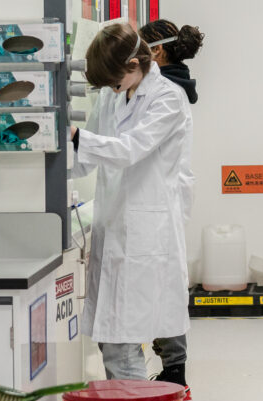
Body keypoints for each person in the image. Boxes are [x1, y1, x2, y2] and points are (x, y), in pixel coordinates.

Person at [72, 21, 193, 381]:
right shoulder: (112, 95)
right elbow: (89, 151)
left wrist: (77, 137)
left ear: (135, 65)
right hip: (114, 223)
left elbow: (128, 150)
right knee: (112, 336)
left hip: (146, 230)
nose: (110, 88)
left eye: (115, 80)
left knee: (122, 338)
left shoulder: (169, 99)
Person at [139, 19, 203, 396]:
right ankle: (171, 368)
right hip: (162, 195)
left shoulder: (166, 92)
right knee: (164, 279)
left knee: (165, 281)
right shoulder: (166, 87)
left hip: (162, 196)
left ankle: (175, 374)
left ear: (157, 51)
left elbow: (136, 146)